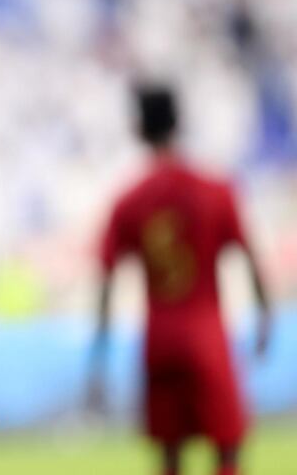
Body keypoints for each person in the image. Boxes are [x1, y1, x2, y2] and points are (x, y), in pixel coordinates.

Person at [89, 85, 271, 475]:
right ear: (179, 122)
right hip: (207, 333)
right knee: (227, 448)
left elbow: (106, 278)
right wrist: (265, 314)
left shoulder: (129, 199)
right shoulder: (216, 189)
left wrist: (100, 353)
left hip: (160, 338)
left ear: (138, 129)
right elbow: (249, 257)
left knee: (170, 455)